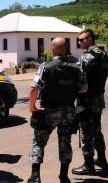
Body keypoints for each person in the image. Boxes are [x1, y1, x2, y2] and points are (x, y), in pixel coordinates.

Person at [27, 37, 87, 183]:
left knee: (39, 141)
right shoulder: (76, 67)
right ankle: (64, 176)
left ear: (52, 49)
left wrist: (32, 106)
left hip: (49, 112)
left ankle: (35, 176)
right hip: (68, 112)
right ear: (65, 49)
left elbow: (35, 87)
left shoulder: (46, 66)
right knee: (65, 142)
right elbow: (84, 88)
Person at [72, 29, 108, 175]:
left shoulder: (87, 56)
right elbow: (106, 74)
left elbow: (79, 77)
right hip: (99, 98)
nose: (79, 42)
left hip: (87, 100)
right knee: (97, 130)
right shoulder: (104, 55)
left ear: (89, 39)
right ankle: (102, 159)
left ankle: (88, 164)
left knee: (86, 132)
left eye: (81, 40)